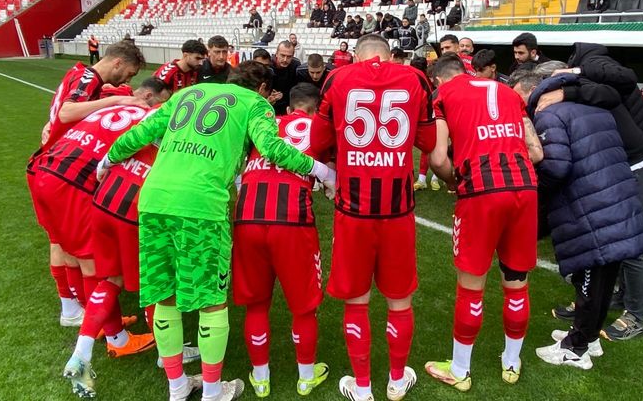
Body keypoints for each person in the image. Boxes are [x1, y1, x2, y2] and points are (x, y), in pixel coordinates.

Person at [98, 60, 336, 401]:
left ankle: (177, 387)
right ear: (264, 90)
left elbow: (142, 131)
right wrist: (324, 173)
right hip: (201, 206)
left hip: (153, 200)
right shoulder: (255, 104)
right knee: (211, 302)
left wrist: (107, 159)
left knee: (164, 298)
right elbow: (272, 148)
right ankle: (212, 391)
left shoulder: (188, 92)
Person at [310, 34, 437, 401]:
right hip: (398, 211)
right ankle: (397, 380)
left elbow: (318, 142)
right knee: (399, 299)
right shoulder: (415, 78)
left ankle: (362, 386)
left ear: (357, 55)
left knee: (357, 300)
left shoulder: (337, 78)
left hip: (354, 210)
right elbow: (428, 144)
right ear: (388, 54)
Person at [538, 43, 643, 340]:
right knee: (604, 240)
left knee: (627, 244)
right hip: (616, 166)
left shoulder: (589, 85)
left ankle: (636, 316)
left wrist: (570, 87)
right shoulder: (572, 98)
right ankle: (599, 301)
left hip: (637, 164)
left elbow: (615, 89)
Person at [515, 73, 643, 370]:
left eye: (520, 96)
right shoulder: (591, 107)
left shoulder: (549, 114)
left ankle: (575, 348)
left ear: (533, 92)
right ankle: (589, 338)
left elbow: (557, 166)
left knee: (591, 284)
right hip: (614, 201)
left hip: (593, 209)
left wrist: (531, 185)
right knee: (602, 281)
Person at [424, 53, 543, 391]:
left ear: (439, 80)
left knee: (471, 286)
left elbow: (437, 158)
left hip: (481, 190)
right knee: (516, 282)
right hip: (524, 187)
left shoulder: (444, 96)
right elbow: (536, 153)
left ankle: (460, 370)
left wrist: (451, 181)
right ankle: (511, 362)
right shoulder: (506, 91)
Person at [60, 78, 172, 398]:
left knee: (110, 279)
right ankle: (168, 355)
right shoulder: (179, 122)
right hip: (133, 207)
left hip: (104, 198)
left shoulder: (146, 117)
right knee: (153, 281)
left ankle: (81, 352)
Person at [26, 41, 148, 327]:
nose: (128, 80)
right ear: (117, 63)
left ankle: (74, 309)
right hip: (64, 171)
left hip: (51, 162)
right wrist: (118, 101)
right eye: (128, 73)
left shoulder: (78, 75)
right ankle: (105, 327)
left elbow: (60, 114)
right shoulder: (87, 77)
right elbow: (66, 113)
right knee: (85, 253)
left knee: (63, 244)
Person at [233, 83, 331, 397]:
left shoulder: (265, 122)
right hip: (292, 220)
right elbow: (332, 174)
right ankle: (305, 377)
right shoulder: (321, 128)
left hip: (247, 216)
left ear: (288, 109)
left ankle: (260, 378)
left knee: (257, 304)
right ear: (316, 110)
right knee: (303, 308)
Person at [270, 41, 302, 115]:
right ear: (276, 54)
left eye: (289, 56)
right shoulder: (268, 65)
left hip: (288, 104)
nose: (285, 59)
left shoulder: (296, 65)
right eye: (282, 55)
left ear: (293, 56)